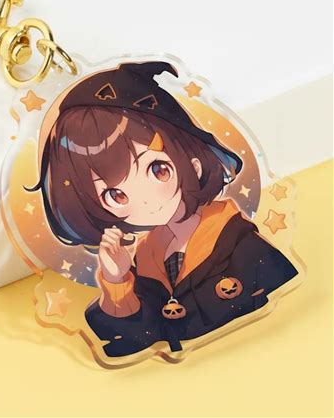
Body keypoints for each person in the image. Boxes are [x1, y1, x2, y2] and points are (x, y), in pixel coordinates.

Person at [30, 61, 298, 357]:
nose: (145, 201)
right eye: (115, 194)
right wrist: (117, 280)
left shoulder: (237, 239)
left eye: (157, 169)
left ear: (193, 164)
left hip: (262, 347)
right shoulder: (146, 260)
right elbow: (135, 337)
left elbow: (275, 284)